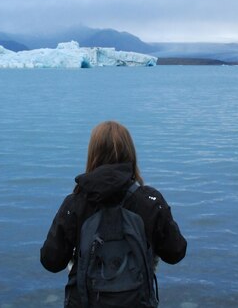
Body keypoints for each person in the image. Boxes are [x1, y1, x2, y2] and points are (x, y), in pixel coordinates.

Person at [41, 120, 187, 307]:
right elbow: (176, 252)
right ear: (131, 154)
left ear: (92, 155)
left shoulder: (75, 203)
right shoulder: (150, 201)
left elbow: (51, 261)